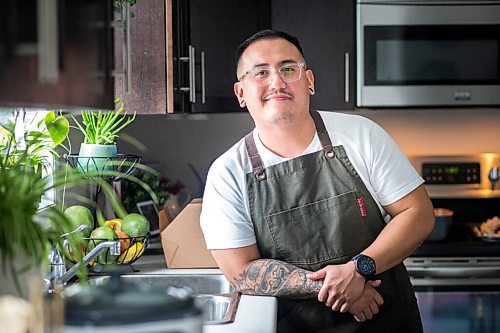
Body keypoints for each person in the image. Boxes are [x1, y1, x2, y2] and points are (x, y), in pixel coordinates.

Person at [200, 29, 435, 332]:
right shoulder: (227, 173)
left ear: (309, 81)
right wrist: (342, 287)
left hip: (385, 321)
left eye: (288, 69)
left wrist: (359, 268)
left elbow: (418, 213)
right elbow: (241, 271)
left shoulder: (362, 135)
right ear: (241, 93)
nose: (277, 82)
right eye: (260, 73)